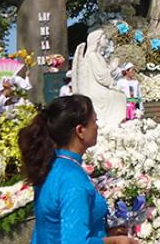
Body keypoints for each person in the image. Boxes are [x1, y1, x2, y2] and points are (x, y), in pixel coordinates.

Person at [18, 95, 137, 244]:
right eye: (94, 121)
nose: (97, 127)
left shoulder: (51, 165)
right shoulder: (72, 179)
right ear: (80, 130)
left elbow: (53, 227)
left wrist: (106, 234)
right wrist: (114, 242)